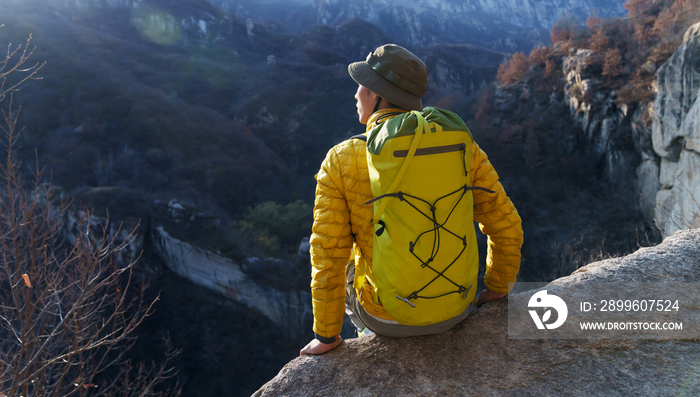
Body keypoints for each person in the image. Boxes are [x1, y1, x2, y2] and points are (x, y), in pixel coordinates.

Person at [300, 44, 523, 355]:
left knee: (348, 254)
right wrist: (499, 287)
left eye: (361, 85)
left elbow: (327, 254)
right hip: (458, 308)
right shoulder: (459, 143)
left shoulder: (341, 158)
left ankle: (364, 334)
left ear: (377, 94)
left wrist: (326, 336)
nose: (355, 95)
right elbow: (506, 223)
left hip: (385, 318)